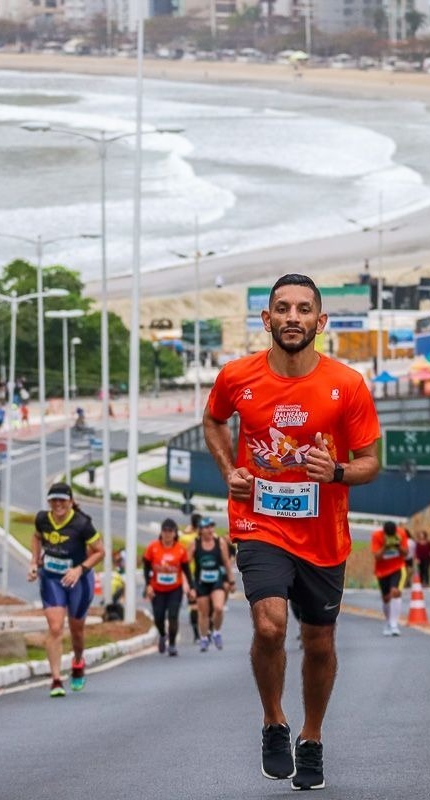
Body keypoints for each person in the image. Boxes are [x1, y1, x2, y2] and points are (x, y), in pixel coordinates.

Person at [203, 273, 381, 791]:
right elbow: (214, 421)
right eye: (283, 309)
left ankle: (312, 736)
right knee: (269, 627)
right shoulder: (238, 376)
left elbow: (371, 461)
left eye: (304, 310)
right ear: (267, 320)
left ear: (320, 322)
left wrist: (340, 472)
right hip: (260, 522)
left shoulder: (346, 384)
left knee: (320, 642)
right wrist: (227, 471)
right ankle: (274, 721)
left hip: (324, 534)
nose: (293, 318)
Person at [27, 482, 104, 697]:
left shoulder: (82, 523)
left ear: (71, 502)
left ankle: (78, 661)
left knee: (76, 629)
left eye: (62, 500)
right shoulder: (42, 519)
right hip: (51, 578)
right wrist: (34, 562)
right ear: (49, 502)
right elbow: (36, 537)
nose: (58, 504)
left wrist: (80, 569)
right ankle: (56, 679)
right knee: (55, 627)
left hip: (78, 581)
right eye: (54, 500)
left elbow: (100, 551)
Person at [144, 518, 194, 657]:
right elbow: (146, 567)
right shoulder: (153, 547)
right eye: (165, 530)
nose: (167, 534)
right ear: (161, 532)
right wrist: (147, 585)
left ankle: (172, 644)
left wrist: (191, 587)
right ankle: (162, 634)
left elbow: (186, 570)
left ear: (174, 533)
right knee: (159, 617)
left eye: (170, 531)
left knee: (173, 616)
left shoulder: (180, 549)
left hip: (174, 589)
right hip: (157, 589)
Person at [192, 517, 234, 652]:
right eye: (207, 527)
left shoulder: (219, 542)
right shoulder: (195, 544)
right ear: (201, 530)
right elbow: (184, 563)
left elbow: (227, 563)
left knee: (218, 608)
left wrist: (231, 580)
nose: (210, 530)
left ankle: (217, 632)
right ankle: (204, 638)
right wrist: (188, 584)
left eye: (212, 527)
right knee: (203, 613)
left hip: (217, 580)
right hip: (201, 582)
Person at [371, 521, 408, 637]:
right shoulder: (377, 536)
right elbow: (377, 556)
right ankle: (388, 622)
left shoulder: (401, 533)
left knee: (395, 592)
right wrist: (385, 546)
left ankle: (394, 624)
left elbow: (405, 553)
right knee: (386, 598)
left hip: (397, 568)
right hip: (382, 571)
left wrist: (398, 546)